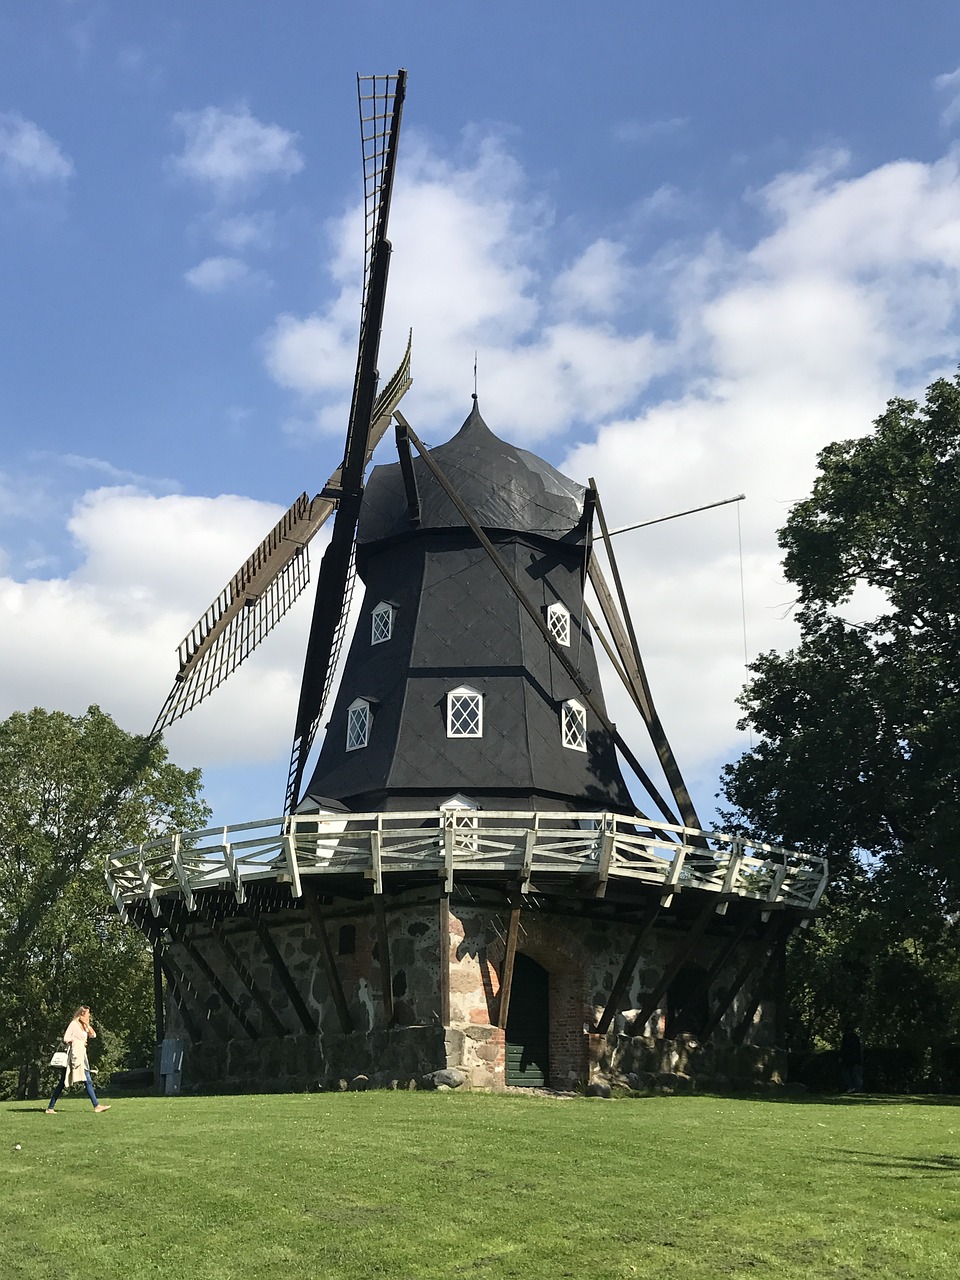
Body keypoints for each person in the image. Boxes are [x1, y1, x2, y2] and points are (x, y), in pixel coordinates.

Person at [45, 1006, 110, 1114]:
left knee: (86, 1080)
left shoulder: (84, 1026)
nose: (89, 1015)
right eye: (87, 1013)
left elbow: (93, 1035)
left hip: (82, 1056)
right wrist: (78, 1041)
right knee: (65, 1082)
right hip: (74, 1057)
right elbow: (66, 1038)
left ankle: (96, 1105)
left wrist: (87, 1025)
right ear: (82, 1014)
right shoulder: (74, 1024)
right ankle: (50, 1107)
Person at [839, 1026, 864, 1094]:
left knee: (846, 1073)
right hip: (856, 1059)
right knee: (855, 1074)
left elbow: (844, 1048)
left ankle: (851, 1086)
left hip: (847, 1059)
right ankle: (857, 1088)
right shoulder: (856, 1037)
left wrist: (841, 1057)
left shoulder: (846, 1036)